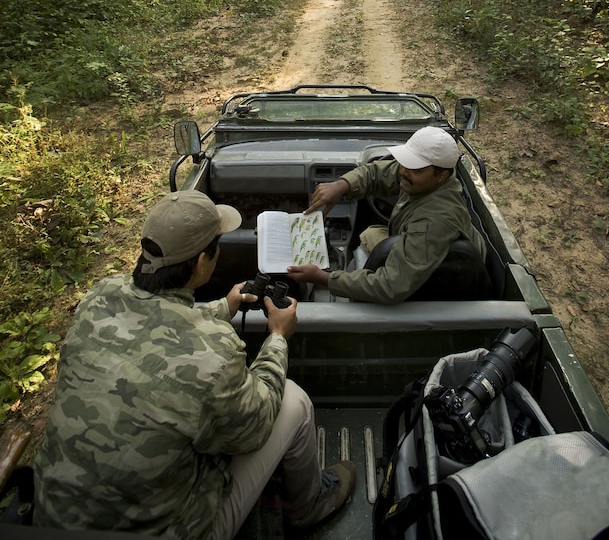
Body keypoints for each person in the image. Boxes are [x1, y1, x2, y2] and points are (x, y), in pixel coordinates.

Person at [33, 189, 355, 539]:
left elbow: (152, 321)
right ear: (203, 262)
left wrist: (223, 307)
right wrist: (278, 336)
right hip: (171, 531)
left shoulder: (99, 297)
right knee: (292, 399)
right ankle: (309, 507)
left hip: (52, 520)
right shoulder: (213, 353)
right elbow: (256, 424)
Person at [288, 126, 486, 304]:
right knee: (371, 234)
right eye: (404, 163)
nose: (404, 171)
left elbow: (390, 286)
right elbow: (376, 174)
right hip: (421, 251)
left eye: (415, 168)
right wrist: (341, 185)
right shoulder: (422, 177)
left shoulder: (434, 221)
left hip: (445, 278)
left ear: (441, 175)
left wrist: (323, 278)